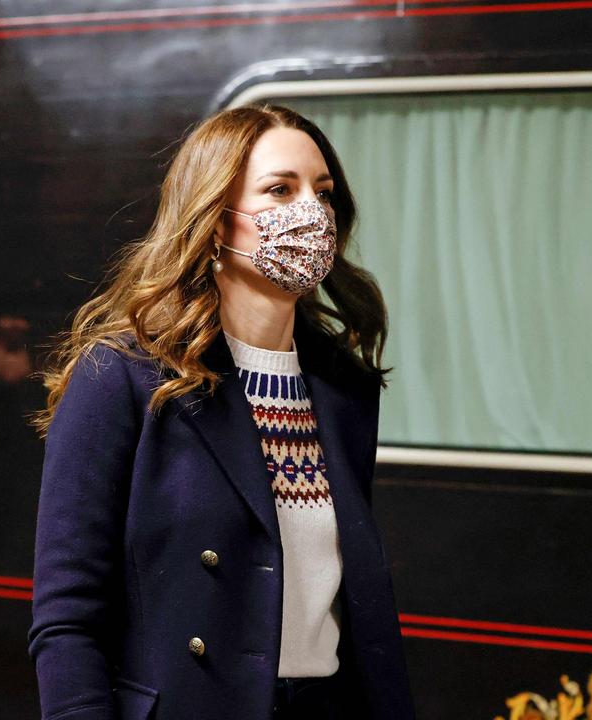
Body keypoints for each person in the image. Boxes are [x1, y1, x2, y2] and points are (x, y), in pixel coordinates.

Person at [28, 105, 414, 720]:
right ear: (214, 221)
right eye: (279, 189)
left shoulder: (342, 387)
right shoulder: (124, 376)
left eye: (323, 192)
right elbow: (68, 616)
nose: (309, 212)